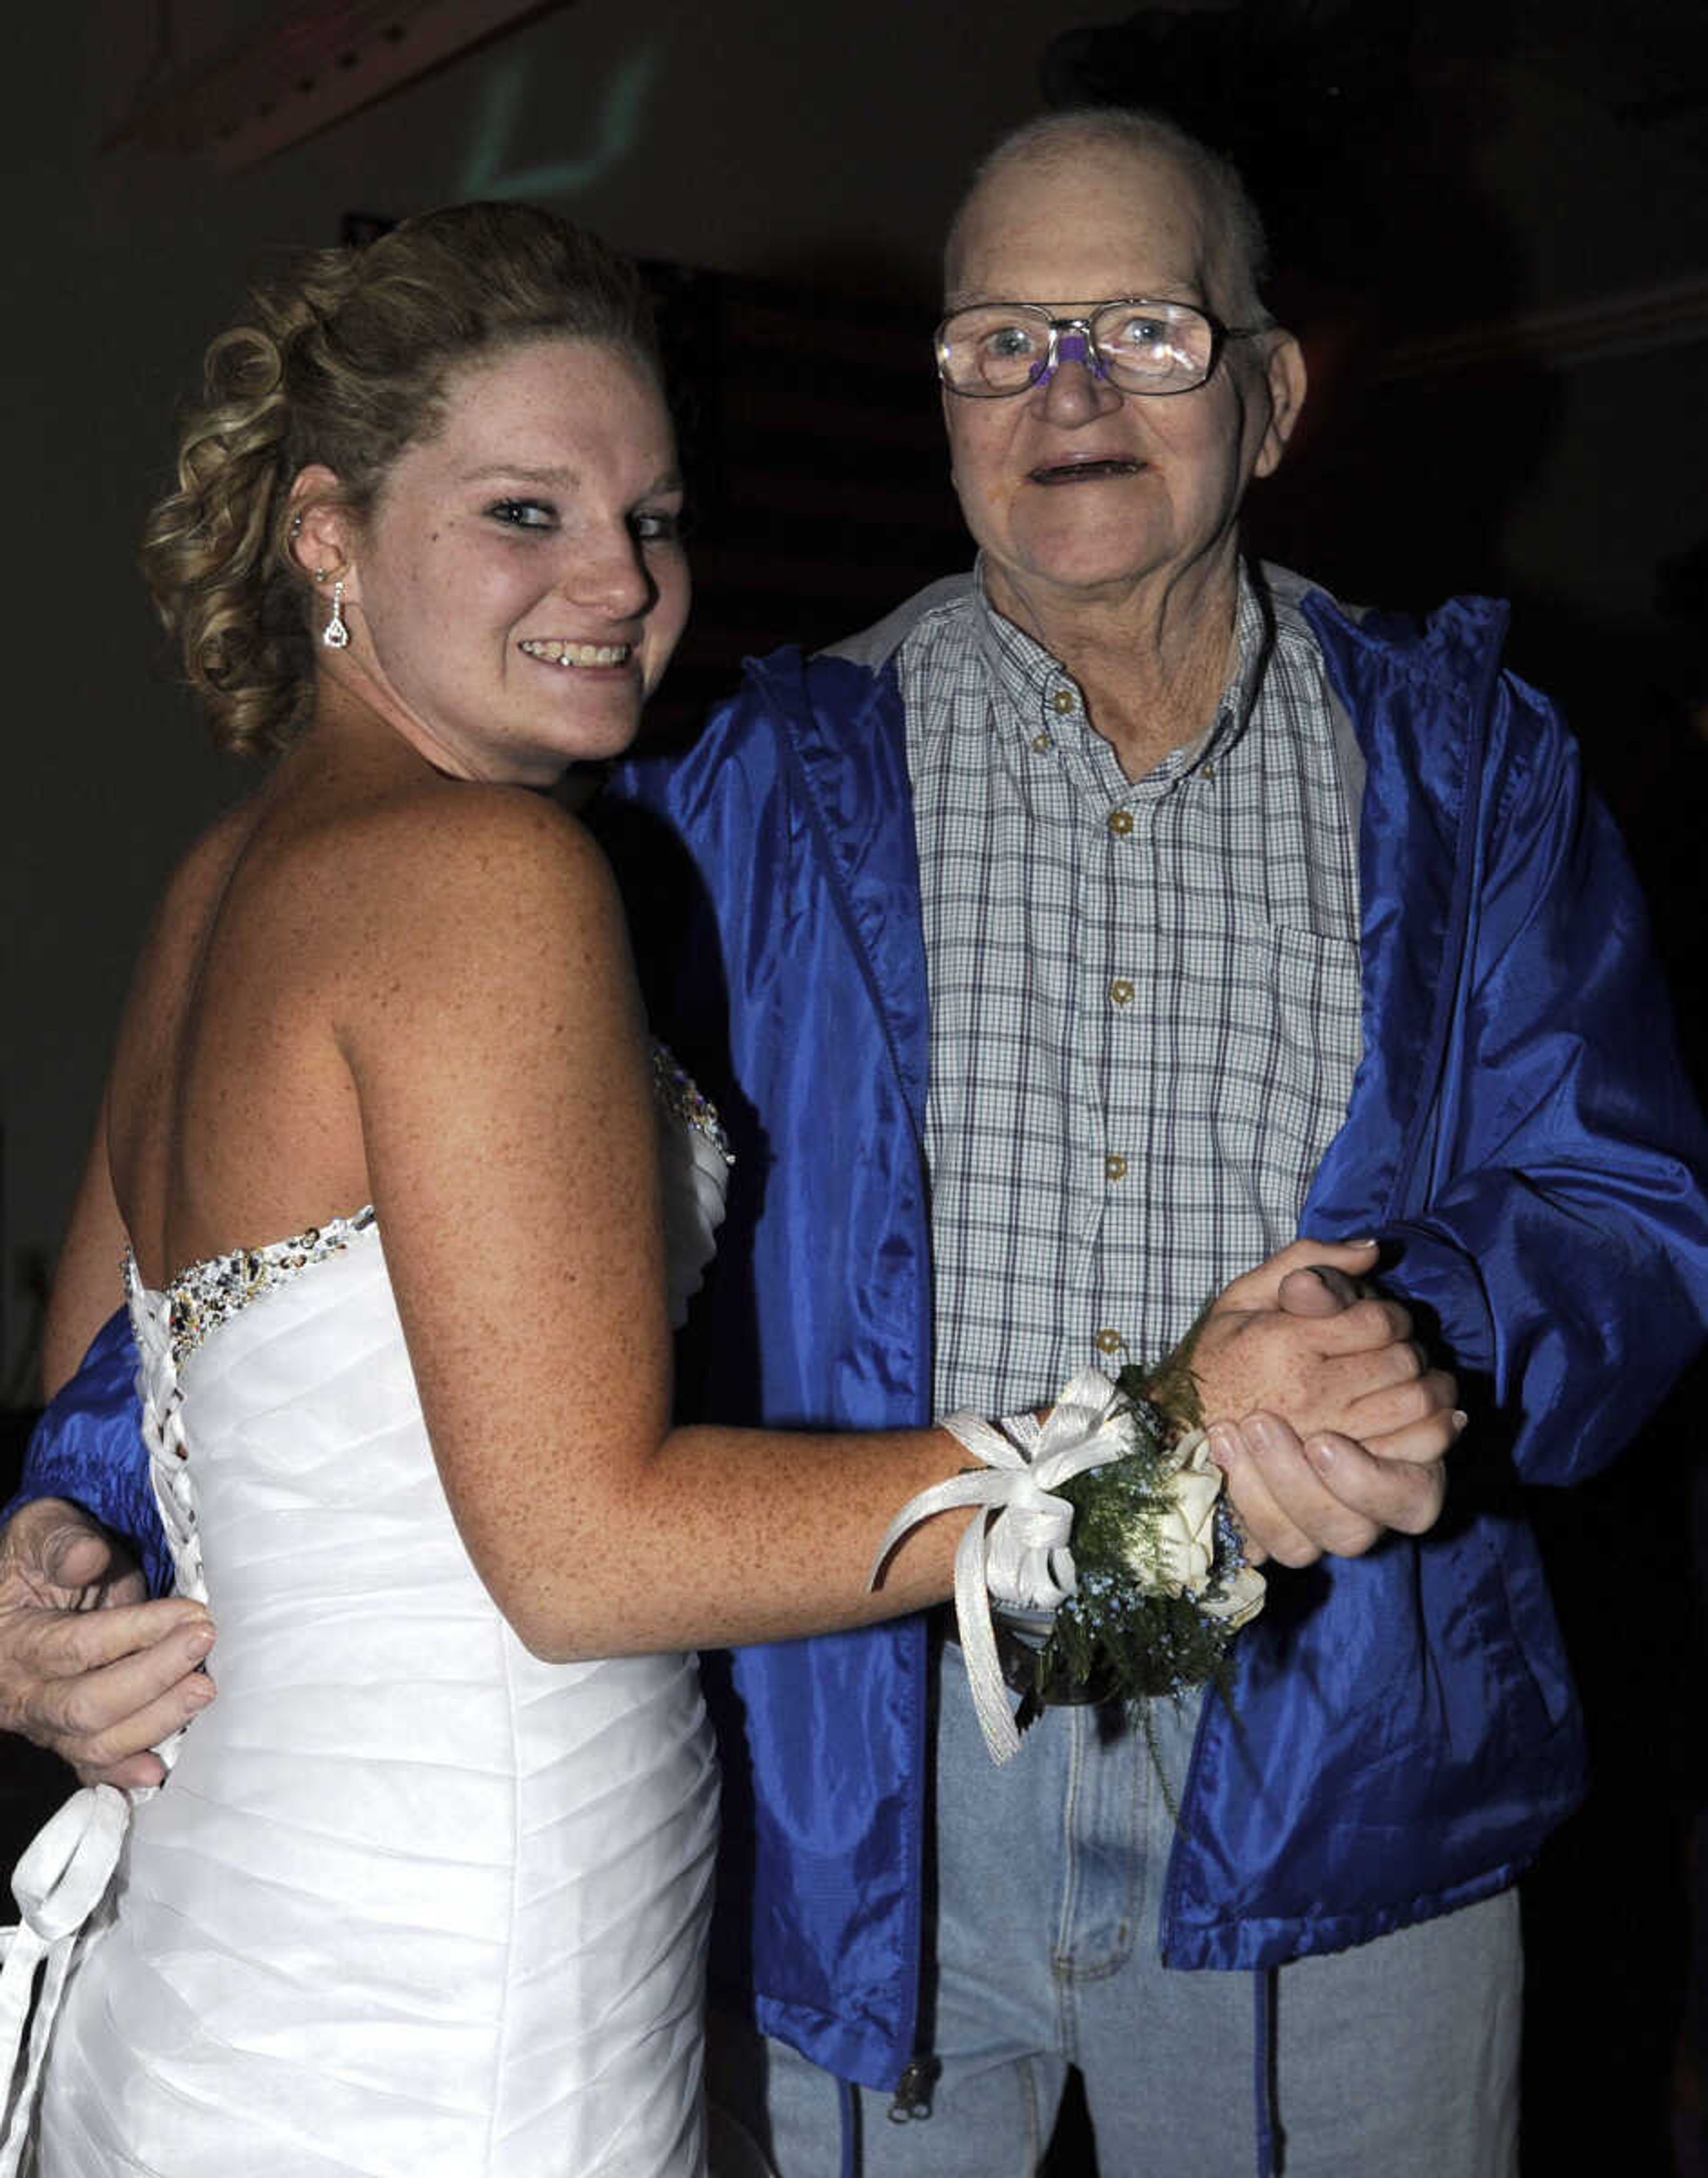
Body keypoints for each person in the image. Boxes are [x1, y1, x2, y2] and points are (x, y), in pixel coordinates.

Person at [0, 199, 1446, 2178]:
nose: (620, 583)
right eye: (528, 513)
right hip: (459, 2005)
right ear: (327, 534)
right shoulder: (490, 879)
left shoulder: (222, 884)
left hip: (224, 1965)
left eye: (653, 519)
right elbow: (588, 1553)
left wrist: (38, 1576)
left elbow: (94, 1408)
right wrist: (1166, 1460)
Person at [593, 109, 1708, 2178]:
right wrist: (96, 1484)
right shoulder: (742, 788)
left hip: (1334, 1750)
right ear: (939, 403)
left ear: (1273, 394)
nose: (1067, 393)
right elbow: (426, 1182)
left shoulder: (1470, 766)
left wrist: (1421, 1344)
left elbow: (1625, 1207)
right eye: (1000, 341)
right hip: (871, 1767)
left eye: (1141, 331)